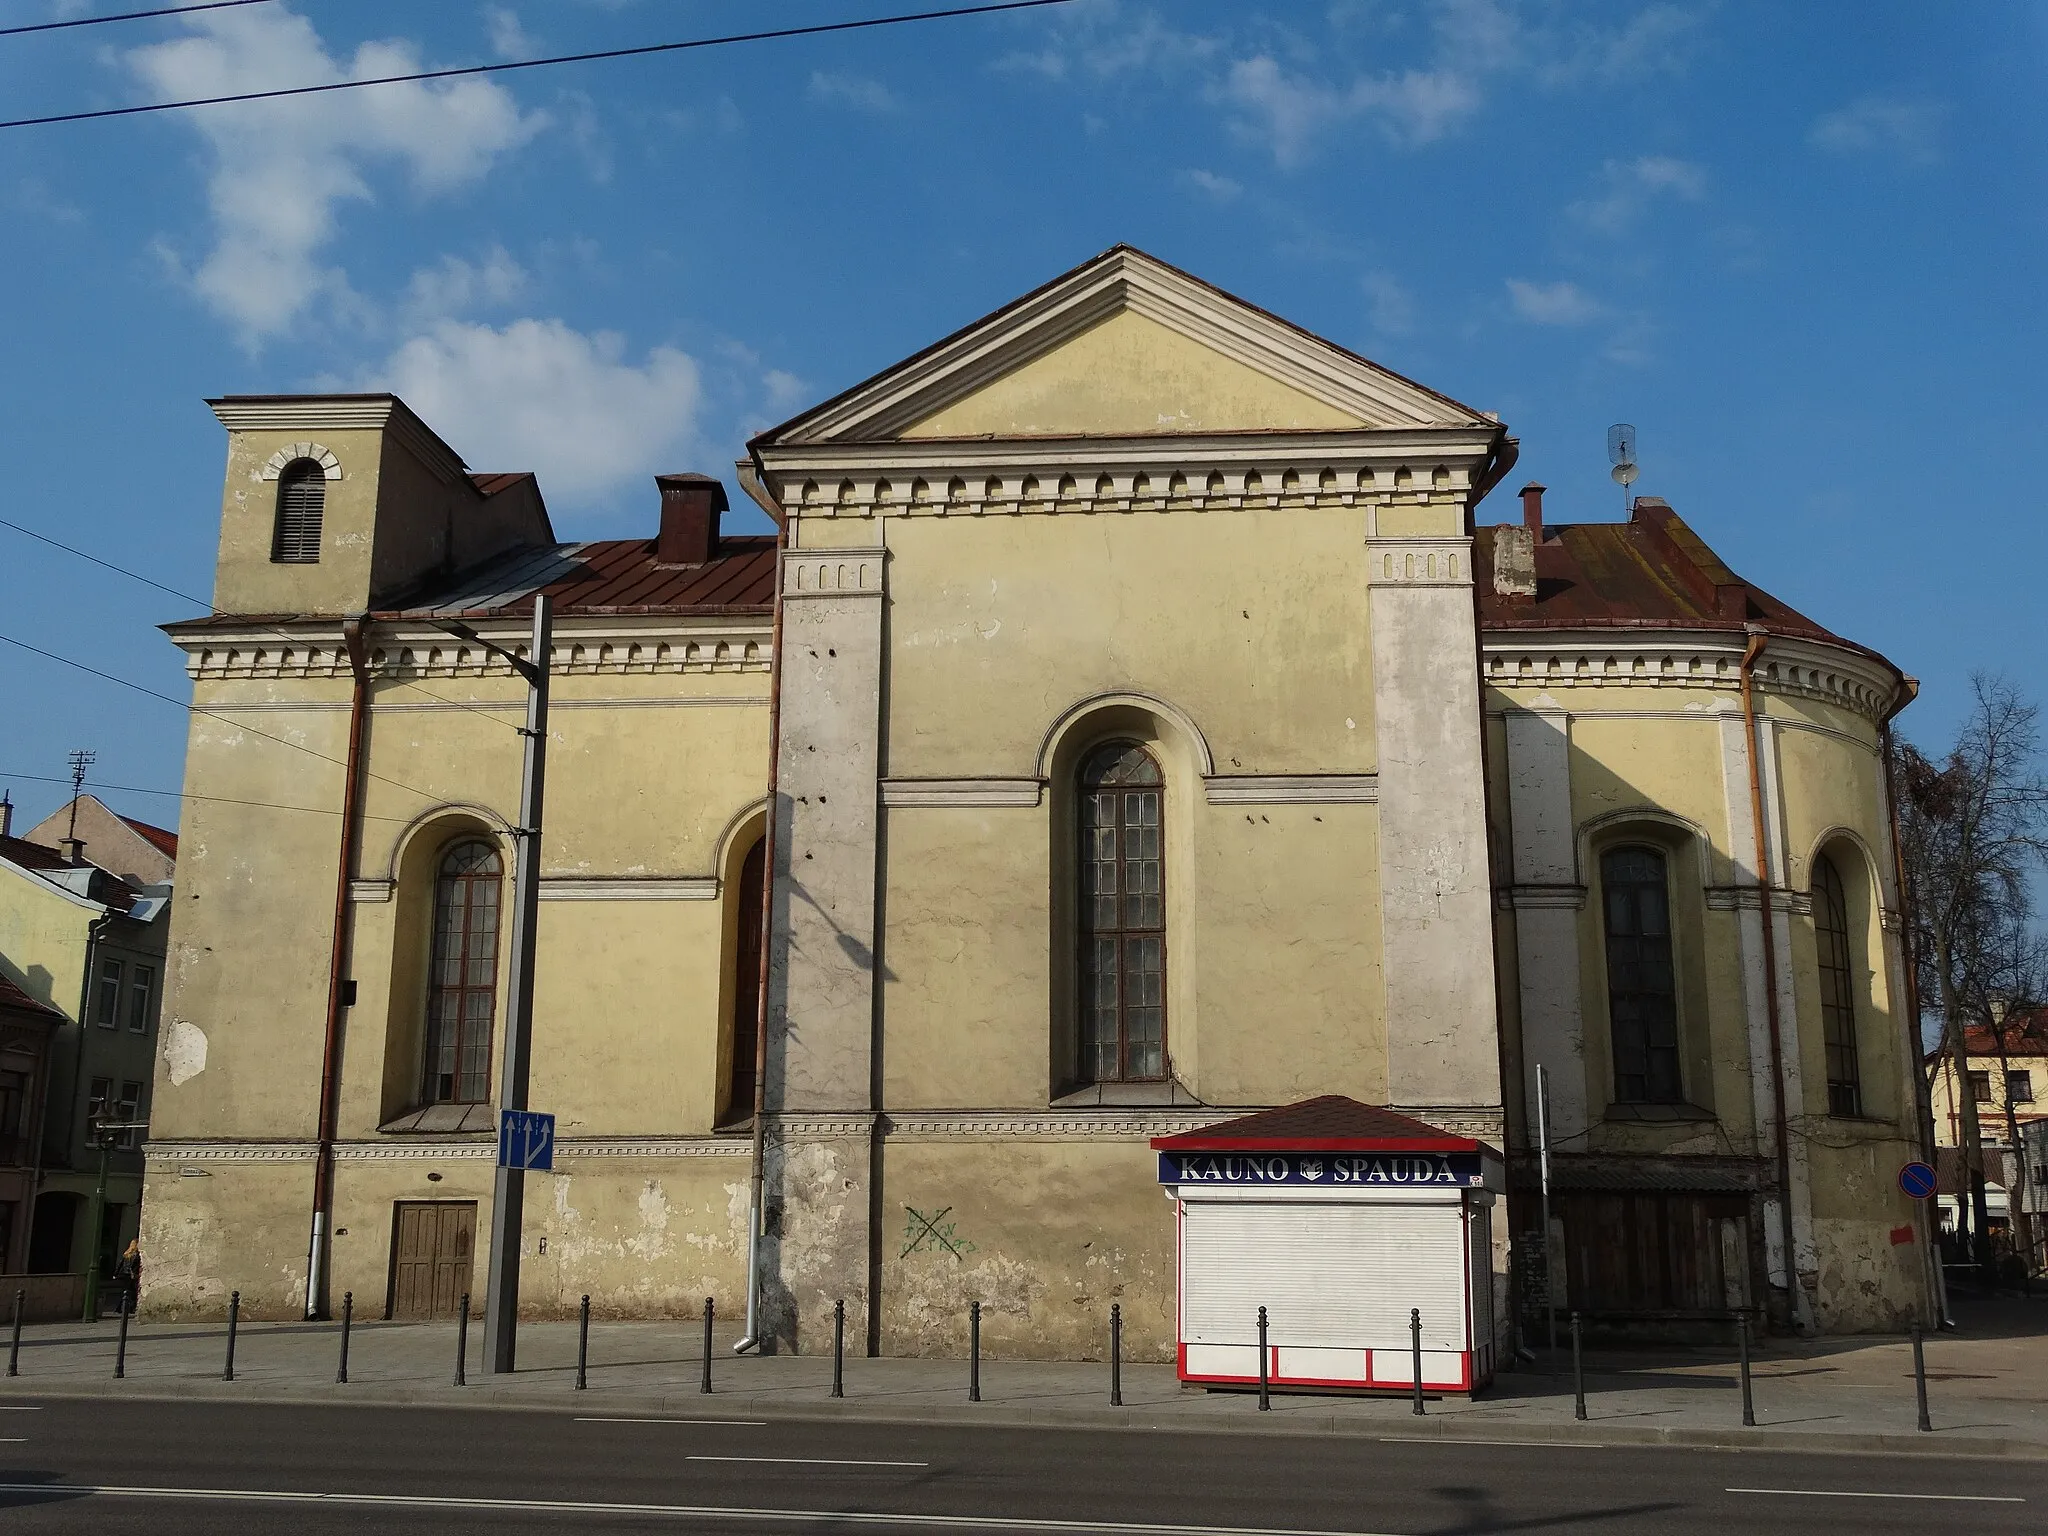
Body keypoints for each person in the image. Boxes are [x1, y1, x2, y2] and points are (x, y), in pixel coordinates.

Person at [112, 1239, 141, 1315]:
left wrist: (116, 1274)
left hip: (124, 1274)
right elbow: (135, 1266)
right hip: (131, 1276)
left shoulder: (126, 1254)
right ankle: (129, 1308)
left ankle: (120, 1308)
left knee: (126, 1292)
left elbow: (120, 1265)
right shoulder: (137, 1255)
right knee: (131, 1292)